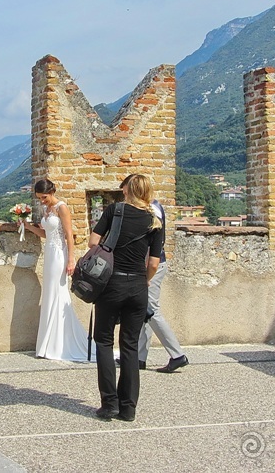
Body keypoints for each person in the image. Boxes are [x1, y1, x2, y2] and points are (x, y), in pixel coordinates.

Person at [89, 174, 162, 422]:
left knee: (104, 342)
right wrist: (145, 281)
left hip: (112, 283)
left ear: (128, 190)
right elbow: (153, 262)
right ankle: (129, 408)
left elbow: (93, 241)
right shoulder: (154, 220)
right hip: (138, 286)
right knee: (130, 346)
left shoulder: (115, 210)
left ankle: (109, 404)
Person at [21, 179, 92, 361]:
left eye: (43, 197)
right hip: (50, 255)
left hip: (60, 255)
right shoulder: (47, 210)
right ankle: (49, 343)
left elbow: (69, 235)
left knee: (58, 294)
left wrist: (71, 259)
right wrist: (28, 227)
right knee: (50, 294)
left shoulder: (62, 207)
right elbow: (47, 234)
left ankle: (60, 343)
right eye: (39, 198)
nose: (42, 201)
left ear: (51, 192)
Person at [138, 198, 189, 373]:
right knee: (144, 310)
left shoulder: (152, 209)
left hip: (153, 265)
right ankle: (139, 357)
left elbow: (154, 241)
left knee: (151, 309)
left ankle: (177, 355)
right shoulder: (153, 206)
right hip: (150, 263)